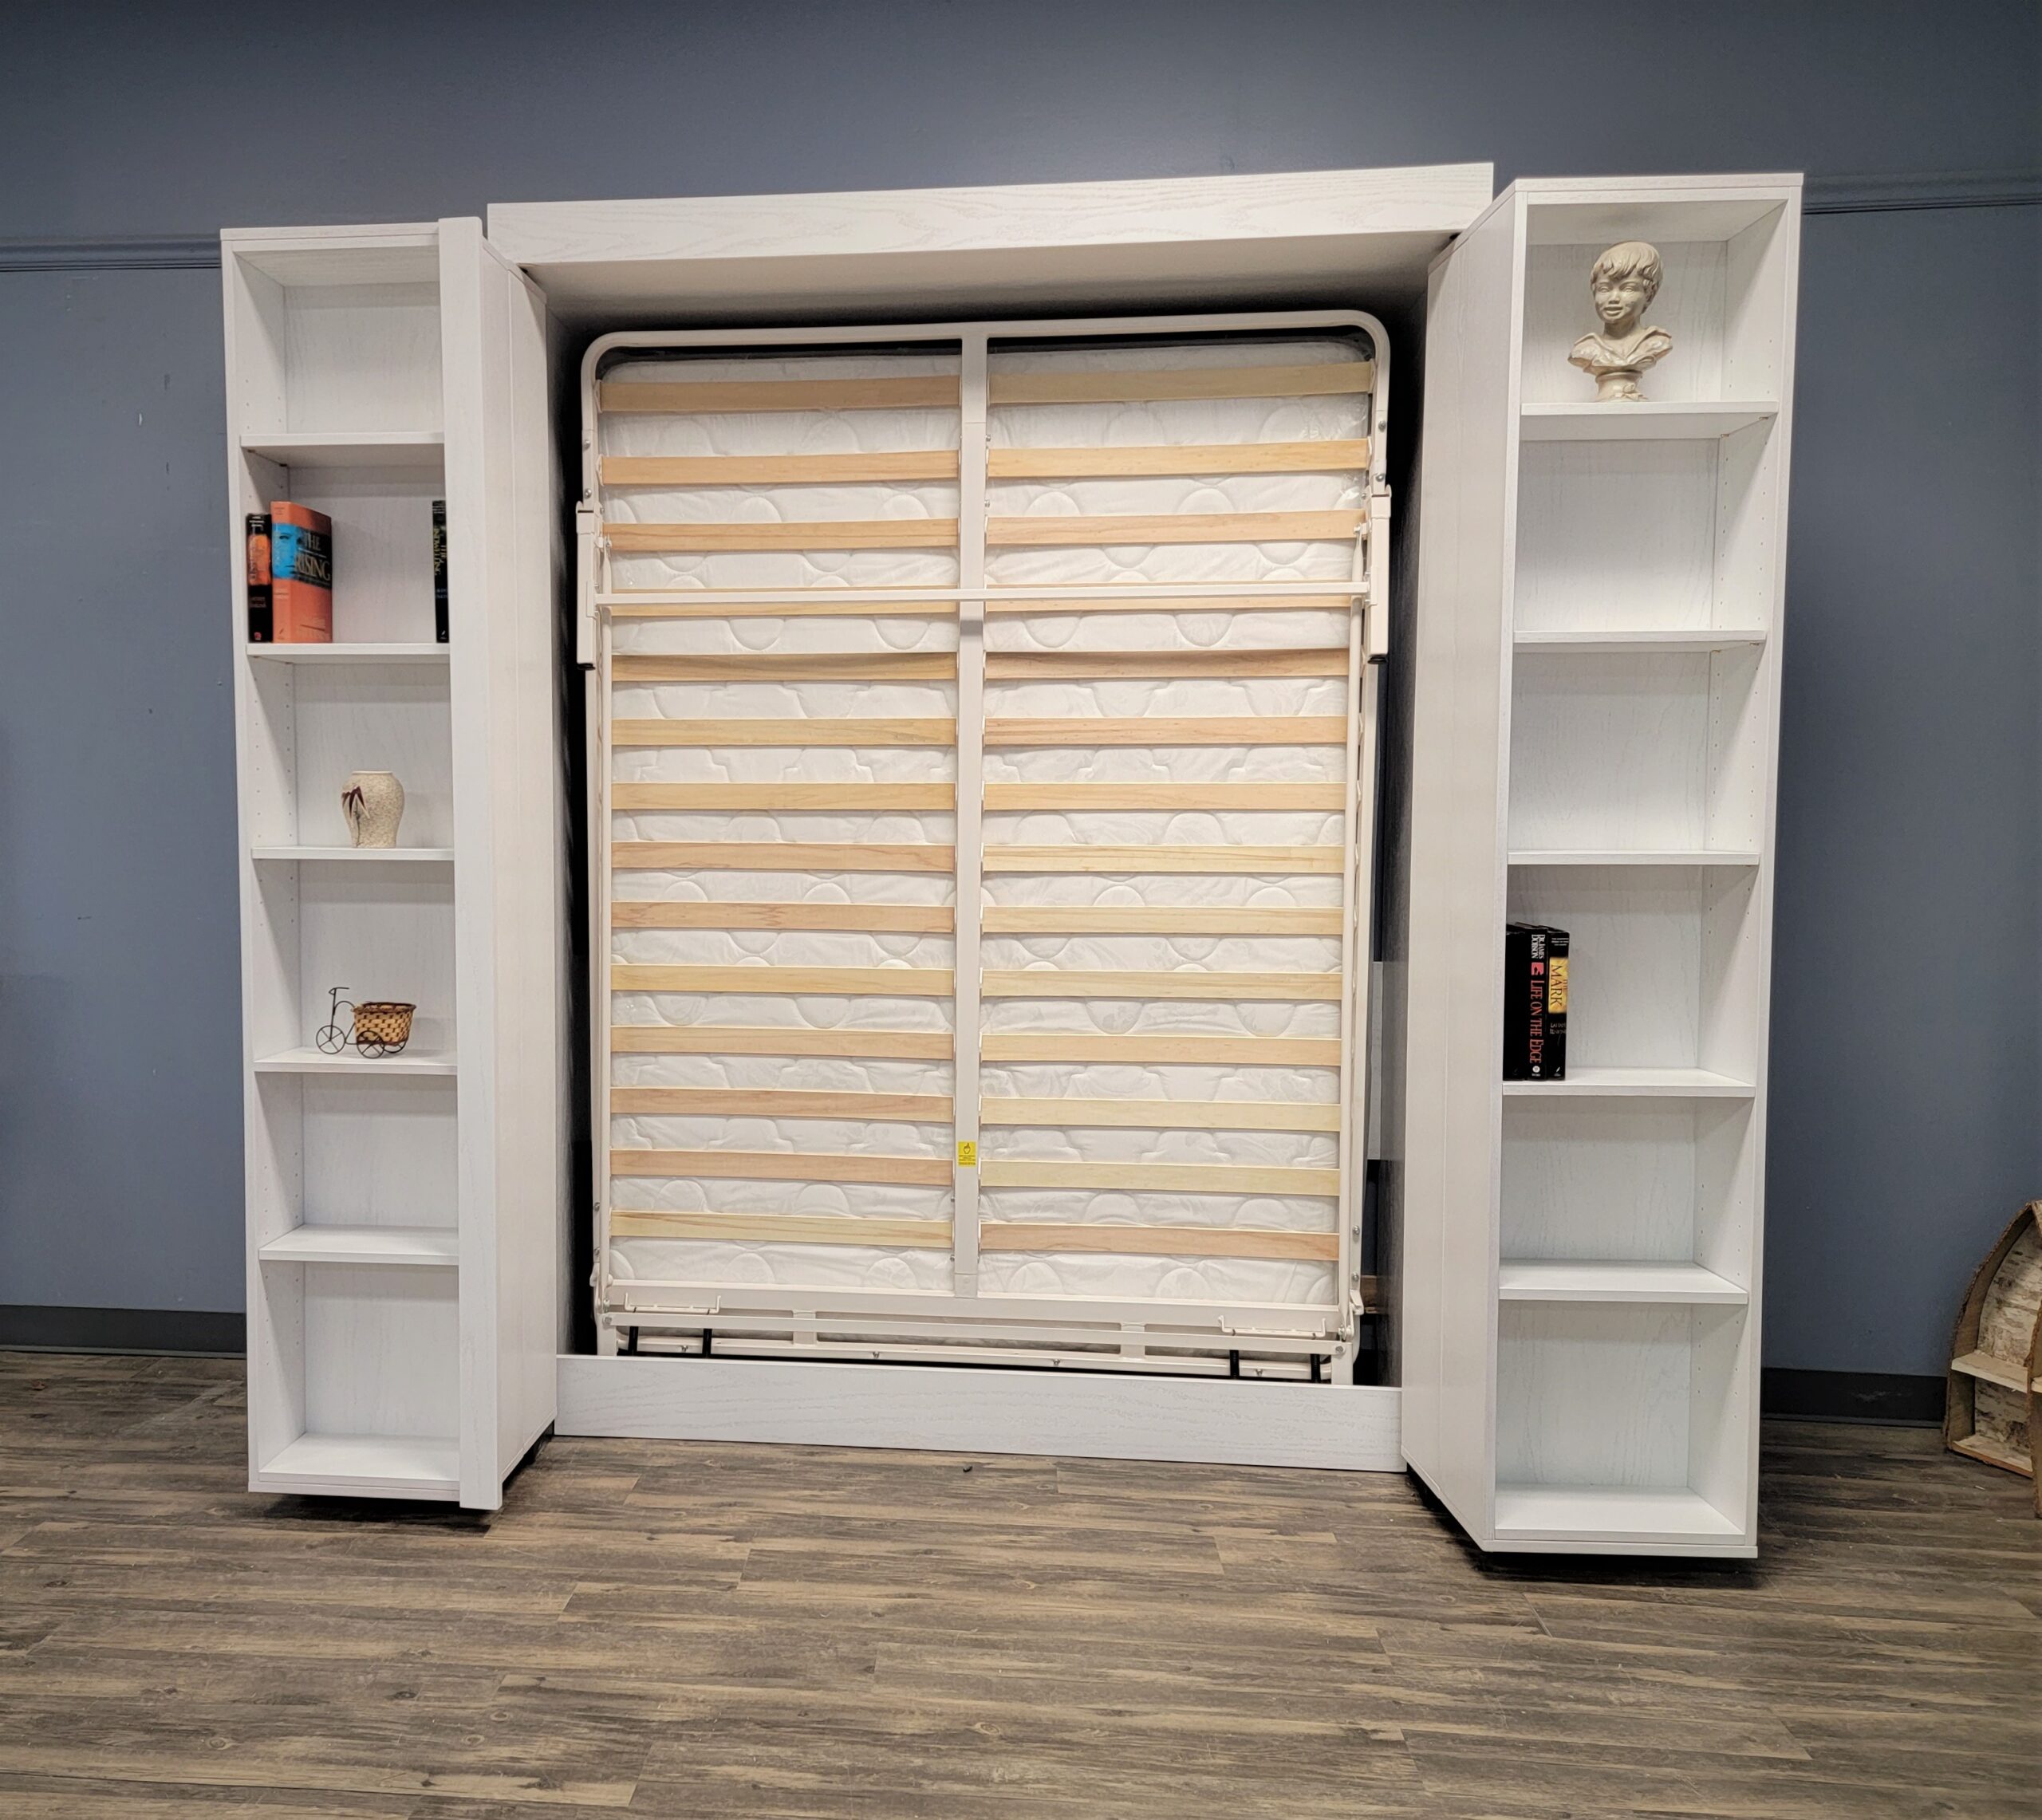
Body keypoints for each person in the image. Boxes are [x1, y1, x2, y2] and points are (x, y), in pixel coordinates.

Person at [1569, 241, 1673, 401]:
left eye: (1628, 288)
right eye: (1604, 289)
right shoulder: (1585, 349)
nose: (1614, 298)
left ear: (1649, 295)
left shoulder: (1657, 342)